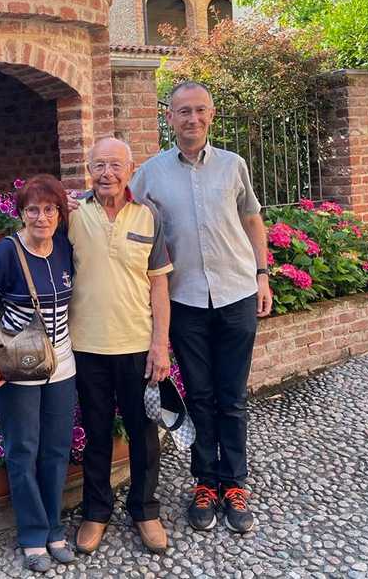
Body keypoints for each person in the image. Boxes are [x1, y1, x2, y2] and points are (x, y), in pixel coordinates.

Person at [130, 81, 272, 534]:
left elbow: (252, 218)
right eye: (182, 112)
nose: (192, 119)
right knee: (201, 397)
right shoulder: (150, 173)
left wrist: (263, 274)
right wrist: (79, 203)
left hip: (236, 295)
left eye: (199, 111)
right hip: (184, 300)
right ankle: (204, 483)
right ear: (168, 118)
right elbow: (121, 208)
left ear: (211, 115)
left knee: (232, 397)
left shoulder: (233, 166)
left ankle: (234, 483)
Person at [0, 175, 76, 573]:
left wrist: (77, 199)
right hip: (16, 369)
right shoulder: (6, 253)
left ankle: (55, 529)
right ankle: (32, 535)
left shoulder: (63, 247)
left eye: (49, 209)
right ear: (20, 213)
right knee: (24, 450)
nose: (41, 217)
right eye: (33, 210)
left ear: (60, 213)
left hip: (62, 365)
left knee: (57, 450)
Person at [68, 137, 173, 554]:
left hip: (137, 347)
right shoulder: (71, 214)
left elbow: (160, 283)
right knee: (95, 434)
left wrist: (160, 344)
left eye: (115, 165)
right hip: (86, 346)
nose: (106, 173)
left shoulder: (148, 215)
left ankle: (145, 511)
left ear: (131, 170)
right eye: (98, 165)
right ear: (88, 169)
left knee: (144, 433)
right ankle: (96, 512)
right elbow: (31, 238)